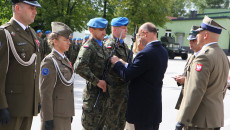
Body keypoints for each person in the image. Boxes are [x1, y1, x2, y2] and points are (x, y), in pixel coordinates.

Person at [175, 16, 230, 130]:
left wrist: (183, 120)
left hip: (199, 120)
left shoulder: (204, 56)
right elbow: (223, 87)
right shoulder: (223, 56)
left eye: (199, 32)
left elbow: (196, 91)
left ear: (205, 35)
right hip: (214, 118)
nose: (197, 35)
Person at [111, 22, 168, 130]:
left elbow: (127, 75)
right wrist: (125, 63)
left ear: (145, 34)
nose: (138, 39)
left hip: (140, 112)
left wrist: (116, 63)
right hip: (153, 109)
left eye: (138, 35)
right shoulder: (162, 51)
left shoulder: (145, 53)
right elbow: (143, 69)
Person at [0, 0, 41, 130]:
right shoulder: (4, 33)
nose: (35, 12)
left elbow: (35, 70)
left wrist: (37, 99)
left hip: (27, 104)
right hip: (11, 106)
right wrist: (1, 105)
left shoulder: (32, 33)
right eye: (31, 8)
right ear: (18, 8)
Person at [74, 17, 112, 130]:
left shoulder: (102, 46)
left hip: (104, 95)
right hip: (93, 95)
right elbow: (79, 67)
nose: (104, 32)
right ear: (91, 30)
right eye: (100, 29)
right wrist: (97, 81)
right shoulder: (89, 46)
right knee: (90, 126)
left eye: (104, 29)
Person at [39, 22, 75, 130]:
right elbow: (45, 93)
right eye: (65, 40)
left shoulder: (64, 59)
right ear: (55, 41)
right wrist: (47, 119)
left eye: (69, 39)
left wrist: (69, 112)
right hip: (55, 115)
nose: (69, 42)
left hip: (64, 113)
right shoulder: (49, 62)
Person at [103, 17, 130, 130]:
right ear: (114, 30)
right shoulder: (110, 45)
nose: (126, 30)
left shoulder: (124, 45)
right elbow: (109, 67)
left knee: (121, 123)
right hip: (113, 92)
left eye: (126, 28)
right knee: (110, 124)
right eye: (123, 28)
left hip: (123, 92)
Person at [174, 25, 201, 110]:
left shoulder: (203, 57)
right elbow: (187, 73)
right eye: (189, 40)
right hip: (186, 99)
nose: (190, 42)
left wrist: (184, 80)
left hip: (194, 102)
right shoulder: (192, 56)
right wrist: (181, 78)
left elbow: (200, 81)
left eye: (193, 40)